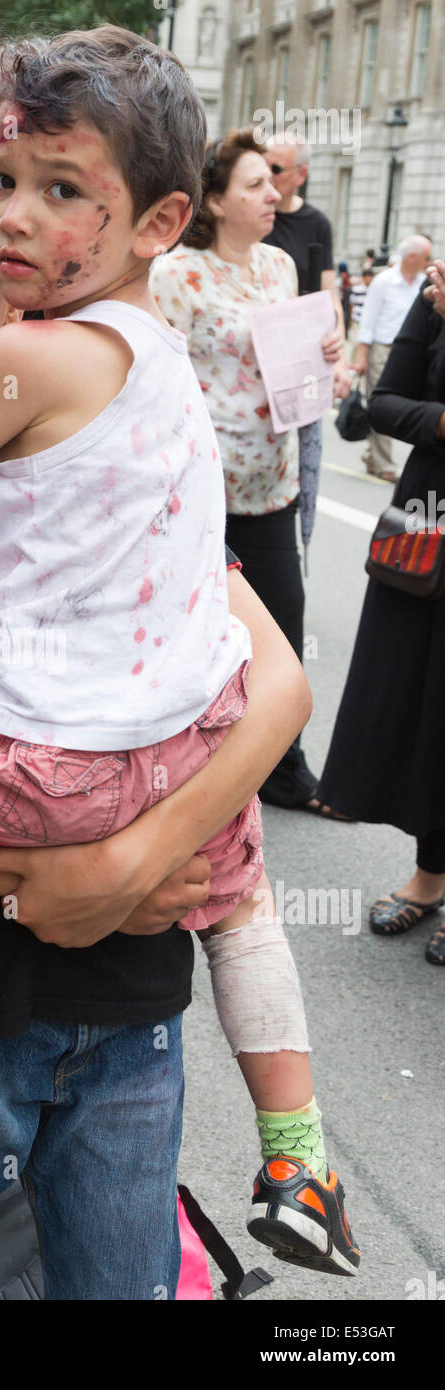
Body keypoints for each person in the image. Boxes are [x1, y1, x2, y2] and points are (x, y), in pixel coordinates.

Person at [0, 33, 357, 1280]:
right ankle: (295, 1150)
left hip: (113, 997)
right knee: (245, 895)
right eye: (0, 186)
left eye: (51, 193)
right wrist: (117, 854)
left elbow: (285, 684)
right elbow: (258, 690)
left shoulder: (26, 386)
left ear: (153, 222)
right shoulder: (150, 396)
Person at [150, 129, 343, 818]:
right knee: (199, 637)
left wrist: (328, 353)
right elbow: (154, 375)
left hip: (275, 485)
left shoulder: (279, 267)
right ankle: (191, 772)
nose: (275, 194)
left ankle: (284, 771)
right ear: (219, 199)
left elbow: (302, 367)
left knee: (284, 630)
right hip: (203, 492)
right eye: (258, 184)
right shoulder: (175, 275)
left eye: (274, 183)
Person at [317, 259, 445, 964]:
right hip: (426, 529)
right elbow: (384, 403)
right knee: (418, 707)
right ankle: (429, 878)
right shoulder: (438, 292)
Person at [354, 233, 434, 482]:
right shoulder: (383, 281)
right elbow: (368, 320)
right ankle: (383, 463)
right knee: (382, 402)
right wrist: (362, 356)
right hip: (383, 348)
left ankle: (373, 455)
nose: (430, 261)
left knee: (403, 404)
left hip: (411, 354)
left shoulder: (424, 283)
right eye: (427, 256)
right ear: (412, 257)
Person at [348, 266, 375, 353]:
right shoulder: (357, 289)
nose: (368, 279)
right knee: (355, 343)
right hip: (357, 319)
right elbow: (352, 305)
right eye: (366, 277)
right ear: (363, 278)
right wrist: (350, 321)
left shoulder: (375, 290)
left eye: (370, 277)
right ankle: (352, 363)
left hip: (369, 321)